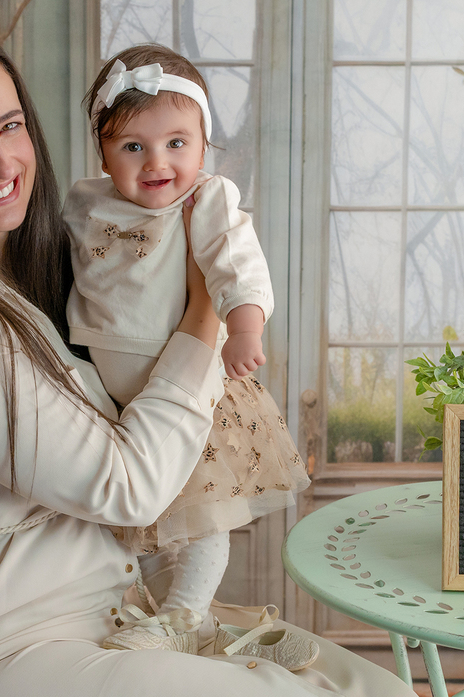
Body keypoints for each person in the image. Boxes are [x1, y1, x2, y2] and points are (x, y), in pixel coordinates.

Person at [0, 17, 417, 697]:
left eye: (11, 126)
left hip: (105, 618)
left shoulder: (62, 269)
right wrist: (204, 312)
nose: (1, 163)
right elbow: (128, 488)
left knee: (368, 685)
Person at [65, 44, 310, 659]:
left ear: (204, 145)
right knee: (140, 521)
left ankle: (186, 611)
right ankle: (183, 628)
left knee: (204, 515)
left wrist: (246, 328)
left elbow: (237, 265)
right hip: (110, 396)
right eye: (133, 147)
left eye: (177, 143)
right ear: (103, 153)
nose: (157, 162)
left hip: (193, 386)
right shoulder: (85, 204)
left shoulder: (205, 200)